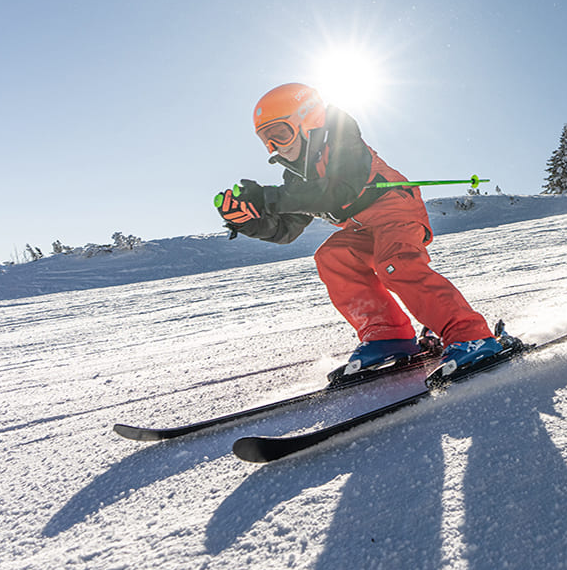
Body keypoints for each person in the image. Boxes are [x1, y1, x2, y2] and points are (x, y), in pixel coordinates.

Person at [214, 83, 500, 377]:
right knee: (332, 256)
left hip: (396, 211)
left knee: (395, 265)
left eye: (281, 134)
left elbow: (337, 192)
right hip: (363, 227)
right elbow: (286, 231)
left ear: (309, 120)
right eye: (267, 141)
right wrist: (249, 221)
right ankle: (388, 335)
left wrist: (269, 197)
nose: (276, 148)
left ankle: (470, 335)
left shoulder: (341, 138)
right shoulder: (296, 178)